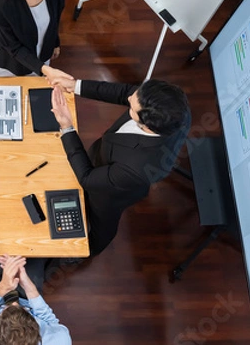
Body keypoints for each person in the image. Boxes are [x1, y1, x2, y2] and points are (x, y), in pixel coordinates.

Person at [49, 78, 191, 255]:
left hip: (112, 191)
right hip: (108, 158)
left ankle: (90, 250)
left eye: (132, 107)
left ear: (147, 125)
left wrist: (67, 127)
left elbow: (87, 178)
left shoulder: (135, 169)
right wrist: (75, 85)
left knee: (102, 222)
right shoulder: (173, 107)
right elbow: (127, 92)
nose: (129, 97)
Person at [0, 255, 71, 344]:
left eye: (6, 310)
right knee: (33, 247)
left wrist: (1, 288)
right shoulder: (59, 339)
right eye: (23, 310)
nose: (14, 303)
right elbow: (51, 322)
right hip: (26, 296)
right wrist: (29, 287)